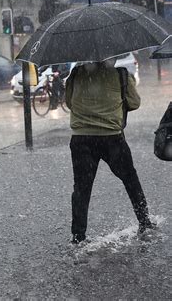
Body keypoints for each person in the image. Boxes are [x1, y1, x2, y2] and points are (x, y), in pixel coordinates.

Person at [65, 60, 156, 244]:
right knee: (131, 179)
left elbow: (69, 103)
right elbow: (134, 103)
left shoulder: (75, 74)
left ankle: (78, 235)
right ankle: (144, 222)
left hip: (81, 138)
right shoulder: (121, 75)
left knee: (82, 188)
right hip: (112, 138)